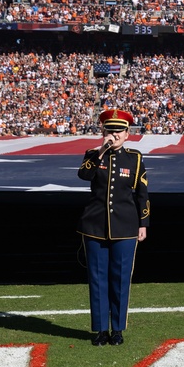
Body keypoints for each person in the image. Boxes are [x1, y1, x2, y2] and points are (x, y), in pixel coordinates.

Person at [78, 108, 150, 346]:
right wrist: (101, 150)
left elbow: (142, 194)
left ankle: (117, 330)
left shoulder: (135, 158)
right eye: (110, 130)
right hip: (95, 227)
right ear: (103, 131)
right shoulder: (92, 154)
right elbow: (84, 176)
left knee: (120, 279)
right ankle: (100, 330)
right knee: (97, 278)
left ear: (127, 133)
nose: (114, 134)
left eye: (119, 130)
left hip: (126, 227)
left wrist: (143, 223)